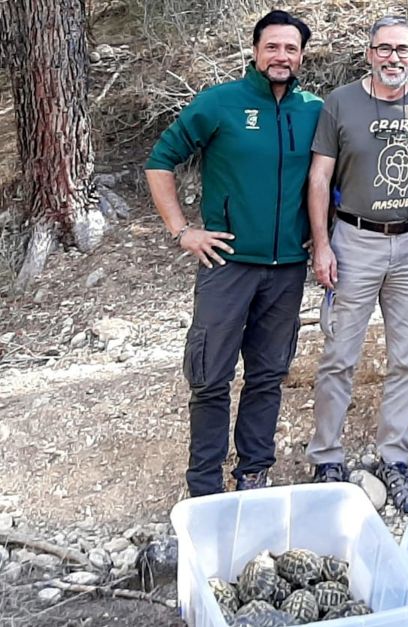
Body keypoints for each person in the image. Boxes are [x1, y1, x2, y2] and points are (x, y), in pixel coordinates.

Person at [145, 10, 322, 497]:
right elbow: (160, 161)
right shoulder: (220, 103)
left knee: (268, 374)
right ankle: (204, 484)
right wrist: (182, 230)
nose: (281, 56)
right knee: (210, 376)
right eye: (272, 47)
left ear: (301, 56)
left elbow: (328, 175)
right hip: (226, 264)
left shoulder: (314, 109)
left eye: (290, 48)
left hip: (287, 269)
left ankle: (253, 473)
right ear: (256, 51)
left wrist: (320, 232)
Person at [304, 16, 408, 514]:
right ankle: (326, 457)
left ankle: (395, 458)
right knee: (339, 355)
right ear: (369, 53)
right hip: (355, 240)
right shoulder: (340, 103)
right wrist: (322, 245)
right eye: (384, 48)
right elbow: (319, 178)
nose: (393, 58)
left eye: (403, 49)